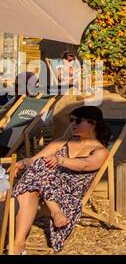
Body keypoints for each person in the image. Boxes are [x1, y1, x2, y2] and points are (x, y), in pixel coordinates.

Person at [9, 105, 111, 254]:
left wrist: (60, 160)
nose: (73, 124)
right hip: (46, 184)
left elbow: (84, 165)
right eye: (72, 120)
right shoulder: (62, 142)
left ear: (93, 123)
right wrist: (23, 162)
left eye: (78, 121)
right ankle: (19, 243)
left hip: (69, 196)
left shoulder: (100, 151)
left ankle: (55, 212)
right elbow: (35, 160)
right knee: (30, 185)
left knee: (35, 177)